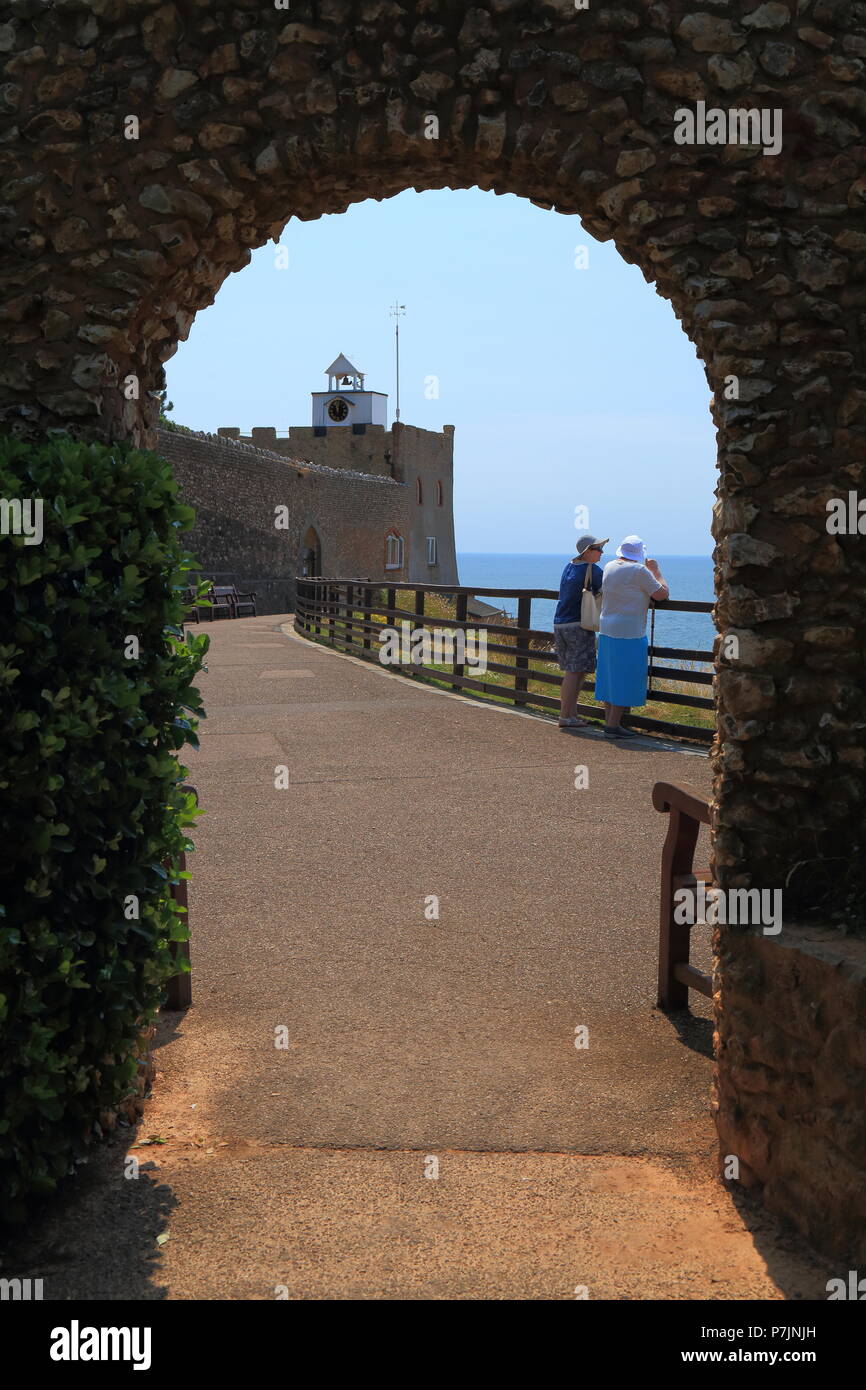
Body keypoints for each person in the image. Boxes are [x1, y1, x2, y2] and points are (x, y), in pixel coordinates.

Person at [595, 535, 669, 738]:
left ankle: (609, 721)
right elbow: (661, 594)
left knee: (609, 676)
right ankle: (612, 726)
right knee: (624, 677)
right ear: (639, 554)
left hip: (606, 628)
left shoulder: (610, 566)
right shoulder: (640, 570)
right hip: (630, 631)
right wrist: (656, 570)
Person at [552, 533, 608, 728]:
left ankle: (571, 714)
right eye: (597, 549)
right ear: (587, 552)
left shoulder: (569, 566)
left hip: (560, 623)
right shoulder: (593, 570)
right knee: (575, 673)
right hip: (578, 625)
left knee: (574, 671)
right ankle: (565, 716)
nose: (601, 552)